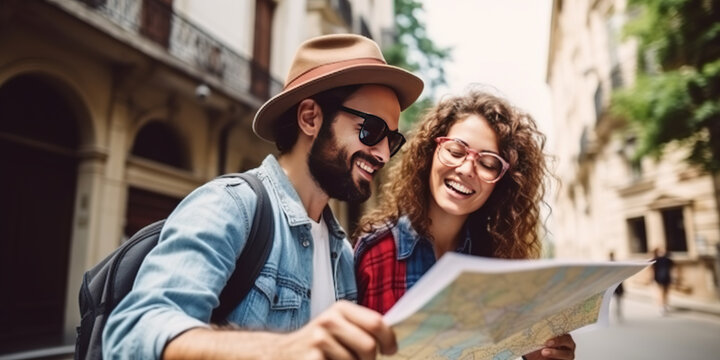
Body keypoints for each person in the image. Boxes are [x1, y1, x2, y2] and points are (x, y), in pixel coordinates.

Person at [103, 34, 424, 359]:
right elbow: (134, 333)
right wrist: (283, 348)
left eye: (393, 140)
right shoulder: (230, 206)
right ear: (310, 117)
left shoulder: (341, 253)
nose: (383, 153)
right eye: (371, 130)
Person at [353, 89, 576, 360]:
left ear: (502, 184)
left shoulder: (502, 269)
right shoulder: (375, 252)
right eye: (456, 150)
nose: (467, 169)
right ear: (429, 154)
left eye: (488, 163)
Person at [652, 247, 674, 315]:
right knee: (663, 292)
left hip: (662, 277)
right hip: (663, 277)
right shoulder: (667, 259)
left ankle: (663, 306)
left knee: (663, 292)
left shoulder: (656, 260)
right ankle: (664, 306)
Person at [609, 251, 624, 321]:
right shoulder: (617, 263)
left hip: (613, 284)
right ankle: (617, 313)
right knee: (618, 300)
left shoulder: (608, 264)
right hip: (617, 284)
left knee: (613, 300)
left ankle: (616, 313)